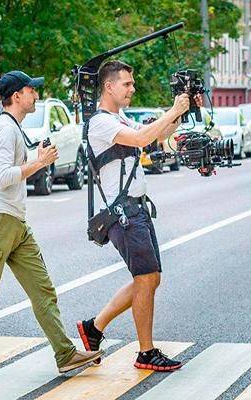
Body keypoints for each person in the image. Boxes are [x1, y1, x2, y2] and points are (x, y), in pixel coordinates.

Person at [0, 71, 103, 376]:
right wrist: (39, 162)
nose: (36, 95)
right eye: (31, 90)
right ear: (16, 96)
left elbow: (11, 170)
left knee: (42, 289)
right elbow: (3, 176)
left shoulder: (12, 129)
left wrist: (36, 158)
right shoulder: (5, 129)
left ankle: (65, 353)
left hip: (15, 221)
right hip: (0, 219)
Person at [76, 60, 196, 371]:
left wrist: (180, 113)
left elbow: (153, 136)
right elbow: (141, 140)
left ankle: (93, 328)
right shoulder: (100, 123)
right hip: (123, 212)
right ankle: (145, 352)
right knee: (145, 278)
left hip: (137, 208)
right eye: (127, 84)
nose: (132, 88)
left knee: (150, 278)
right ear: (109, 86)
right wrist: (171, 110)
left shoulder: (120, 118)